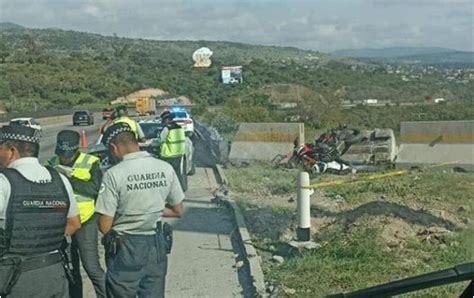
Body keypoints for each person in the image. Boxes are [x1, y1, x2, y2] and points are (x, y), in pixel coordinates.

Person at [95, 123, 184, 298]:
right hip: (156, 246)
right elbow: (177, 210)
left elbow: (105, 226)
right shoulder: (164, 168)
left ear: (114, 147)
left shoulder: (114, 174)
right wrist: (152, 210)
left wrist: (127, 213)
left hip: (125, 248)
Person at [0, 125, 81, 297]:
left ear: (12, 151)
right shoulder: (60, 179)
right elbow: (74, 223)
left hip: (15, 277)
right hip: (54, 272)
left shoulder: (4, 182)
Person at [45, 130, 106, 298]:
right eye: (62, 155)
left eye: (68, 155)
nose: (64, 158)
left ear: (76, 149)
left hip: (86, 221)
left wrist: (68, 179)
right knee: (70, 269)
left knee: (92, 267)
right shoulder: (51, 163)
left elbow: (95, 189)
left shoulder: (91, 162)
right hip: (63, 223)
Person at [159, 110, 186, 189]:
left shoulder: (167, 128)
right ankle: (181, 188)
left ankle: (169, 190)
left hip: (168, 155)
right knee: (177, 173)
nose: (163, 122)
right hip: (179, 154)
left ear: (166, 119)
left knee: (167, 174)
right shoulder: (180, 127)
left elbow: (161, 139)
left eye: (163, 120)